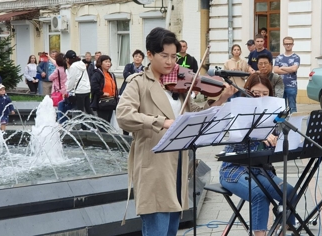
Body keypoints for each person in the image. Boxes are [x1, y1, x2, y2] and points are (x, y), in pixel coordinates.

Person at [116, 27, 236, 235]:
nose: (171, 62)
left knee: (171, 230)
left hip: (178, 167)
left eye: (174, 56)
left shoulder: (178, 85)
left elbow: (196, 114)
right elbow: (123, 116)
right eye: (164, 56)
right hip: (154, 169)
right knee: (157, 230)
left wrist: (222, 99)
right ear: (150, 54)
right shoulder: (138, 84)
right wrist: (162, 122)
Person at [220, 72, 295, 236]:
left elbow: (281, 142)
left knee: (289, 192)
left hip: (261, 170)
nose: (260, 98)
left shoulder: (275, 114)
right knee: (260, 195)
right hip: (234, 169)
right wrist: (259, 134)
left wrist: (280, 137)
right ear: (247, 92)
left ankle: (285, 230)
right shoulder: (238, 112)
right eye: (255, 94)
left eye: (265, 94)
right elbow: (237, 141)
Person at [274, 36, 300, 113]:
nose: (288, 45)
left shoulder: (296, 57)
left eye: (290, 43)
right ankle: (283, 124)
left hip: (292, 86)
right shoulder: (279, 57)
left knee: (292, 107)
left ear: (293, 44)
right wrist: (289, 69)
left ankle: (294, 124)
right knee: (281, 109)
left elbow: (294, 69)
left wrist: (281, 68)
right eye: (286, 44)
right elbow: (275, 70)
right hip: (280, 86)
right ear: (283, 44)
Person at [90, 55, 118, 125]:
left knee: (108, 123)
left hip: (111, 102)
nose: (108, 63)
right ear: (101, 63)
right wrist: (102, 93)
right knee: (102, 123)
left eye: (109, 62)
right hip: (102, 102)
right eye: (106, 62)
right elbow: (93, 86)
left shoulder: (111, 74)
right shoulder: (97, 74)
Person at [65, 50, 93, 118]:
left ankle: (83, 127)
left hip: (79, 91)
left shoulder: (73, 66)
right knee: (88, 109)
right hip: (86, 89)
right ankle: (95, 124)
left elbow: (72, 80)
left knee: (80, 111)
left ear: (68, 59)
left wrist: (67, 89)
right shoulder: (82, 63)